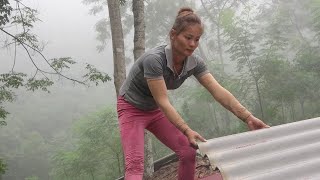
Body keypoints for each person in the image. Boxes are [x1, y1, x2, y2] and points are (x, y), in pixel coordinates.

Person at [117, 7, 269, 180]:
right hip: (131, 108)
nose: (193, 44)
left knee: (188, 152)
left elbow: (218, 91)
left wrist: (247, 117)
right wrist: (186, 129)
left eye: (197, 39)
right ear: (173, 34)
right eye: (188, 38)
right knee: (135, 166)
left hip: (154, 110)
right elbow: (163, 102)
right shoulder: (155, 59)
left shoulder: (195, 62)